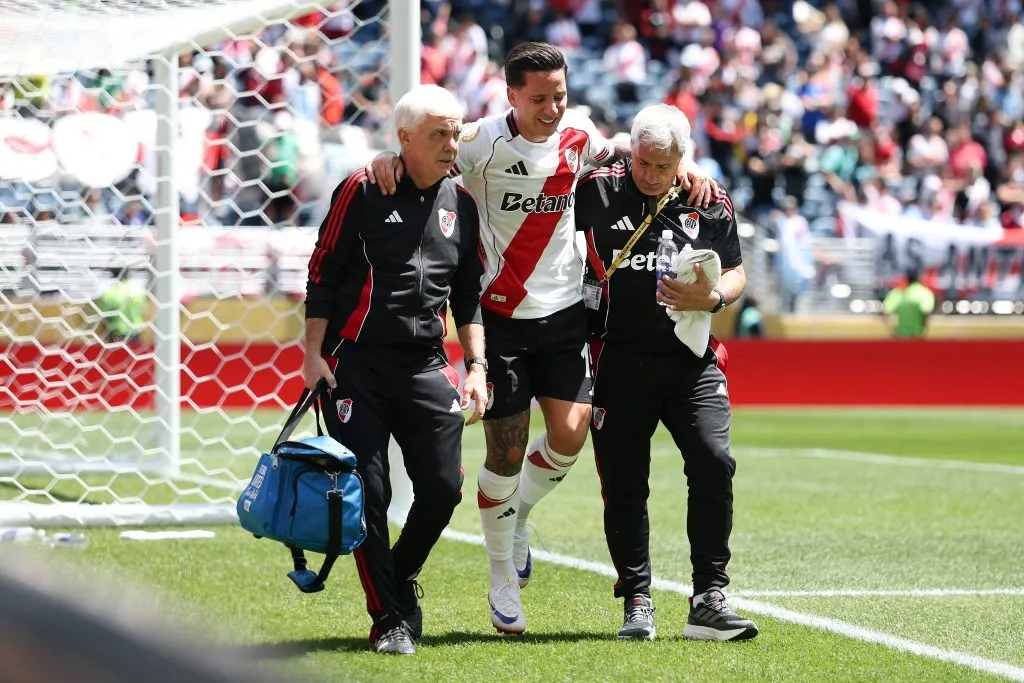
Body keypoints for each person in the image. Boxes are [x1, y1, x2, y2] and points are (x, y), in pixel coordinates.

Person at [367, 42, 716, 635]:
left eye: (559, 95)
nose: (552, 108)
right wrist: (384, 158)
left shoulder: (581, 133)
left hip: (563, 317)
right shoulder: (477, 143)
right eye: (538, 99)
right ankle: (502, 574)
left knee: (571, 435)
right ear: (510, 96)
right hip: (498, 319)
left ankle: (518, 514)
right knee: (504, 451)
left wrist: (684, 168)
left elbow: (637, 159)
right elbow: (424, 150)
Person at [302, 84, 488, 655]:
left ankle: (399, 575)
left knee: (442, 488)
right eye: (438, 134)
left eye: (456, 132)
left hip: (426, 364)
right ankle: (388, 619)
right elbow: (323, 271)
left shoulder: (463, 205)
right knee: (369, 490)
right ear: (404, 139)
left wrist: (476, 366)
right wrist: (311, 355)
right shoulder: (362, 188)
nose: (451, 143)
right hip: (353, 363)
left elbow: (468, 296)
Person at [575, 104, 758, 642]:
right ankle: (637, 599)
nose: (650, 175)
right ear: (631, 150)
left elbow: (736, 268)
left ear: (684, 159)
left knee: (713, 460)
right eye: (643, 162)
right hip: (618, 357)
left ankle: (709, 597)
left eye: (663, 166)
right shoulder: (597, 190)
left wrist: (715, 295)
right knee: (626, 483)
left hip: (690, 356)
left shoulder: (708, 197)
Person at [95, 267, 147, 342]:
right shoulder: (138, 290)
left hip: (117, 333)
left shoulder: (110, 292)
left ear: (113, 275)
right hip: (136, 331)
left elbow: (103, 314)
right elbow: (143, 308)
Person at [882, 269, 935, 338]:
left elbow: (886, 312)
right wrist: (925, 330)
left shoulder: (897, 293)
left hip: (900, 335)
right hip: (918, 335)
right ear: (919, 278)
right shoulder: (925, 293)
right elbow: (926, 312)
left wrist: (892, 330)